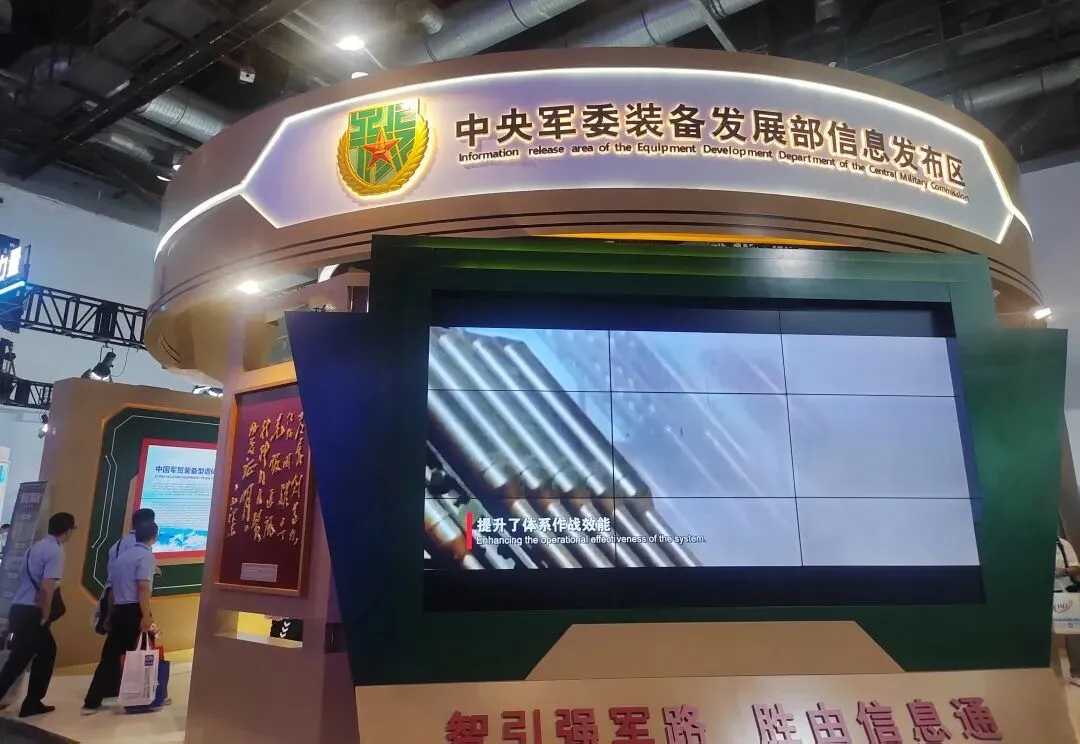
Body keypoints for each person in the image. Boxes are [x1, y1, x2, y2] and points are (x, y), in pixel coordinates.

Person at [0, 512, 76, 717]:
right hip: (33, 612)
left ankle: (32, 702)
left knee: (35, 654)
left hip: (19, 608)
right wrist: (45, 614)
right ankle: (32, 703)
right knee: (23, 658)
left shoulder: (34, 547)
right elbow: (46, 587)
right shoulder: (56, 551)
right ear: (68, 531)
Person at [83, 520, 158, 714]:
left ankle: (91, 702)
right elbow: (143, 588)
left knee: (109, 657)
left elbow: (112, 590)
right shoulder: (146, 556)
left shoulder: (122, 558)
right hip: (135, 610)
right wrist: (146, 616)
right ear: (154, 537)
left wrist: (110, 615)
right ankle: (143, 698)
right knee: (145, 653)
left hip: (118, 610)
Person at [1055, 536, 1080, 686]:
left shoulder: (1062, 544)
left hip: (1064, 594)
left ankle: (1076, 673)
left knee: (1073, 635)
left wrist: (1063, 571)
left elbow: (1076, 567)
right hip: (1037, 594)